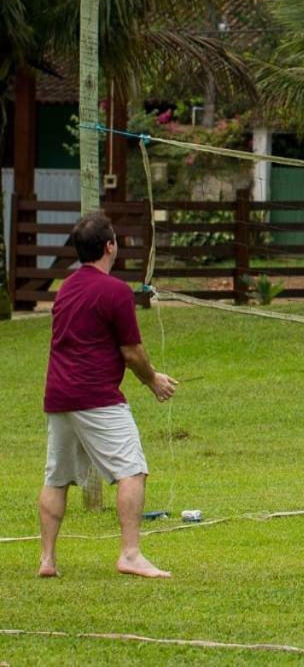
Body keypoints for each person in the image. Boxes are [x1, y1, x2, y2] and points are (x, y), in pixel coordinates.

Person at [39, 212, 177, 580]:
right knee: (133, 470)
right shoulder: (115, 291)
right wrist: (154, 381)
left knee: (57, 478)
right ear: (109, 246)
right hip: (95, 396)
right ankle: (130, 555)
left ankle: (47, 560)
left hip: (59, 396)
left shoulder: (66, 286)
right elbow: (132, 352)